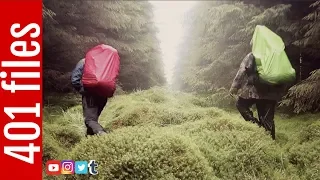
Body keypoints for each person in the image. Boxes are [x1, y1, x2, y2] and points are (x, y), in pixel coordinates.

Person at [229, 45, 285, 140]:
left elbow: (242, 71)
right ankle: (271, 144)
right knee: (267, 120)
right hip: (271, 94)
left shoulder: (252, 55)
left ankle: (256, 126)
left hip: (256, 91)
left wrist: (234, 87)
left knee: (240, 104)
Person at [71, 58, 108, 136]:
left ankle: (103, 134)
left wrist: (83, 90)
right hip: (103, 95)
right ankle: (89, 139)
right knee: (93, 119)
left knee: (89, 120)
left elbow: (75, 80)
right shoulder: (104, 62)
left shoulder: (84, 61)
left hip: (90, 95)